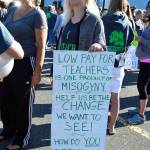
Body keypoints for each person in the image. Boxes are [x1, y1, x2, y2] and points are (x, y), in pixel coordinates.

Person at [0, 0, 48, 149]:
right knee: (5, 99)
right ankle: (9, 130)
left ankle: (22, 138)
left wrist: (38, 71)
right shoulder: (12, 10)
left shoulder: (38, 14)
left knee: (23, 102)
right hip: (7, 63)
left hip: (26, 62)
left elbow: (41, 46)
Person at [102, 0, 134, 135]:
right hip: (118, 63)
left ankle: (98, 124)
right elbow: (130, 41)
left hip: (103, 62)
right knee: (115, 97)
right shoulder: (128, 21)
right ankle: (112, 126)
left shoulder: (104, 19)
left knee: (102, 97)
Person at [128, 1, 150, 125]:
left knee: (141, 86)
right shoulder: (147, 23)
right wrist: (137, 39)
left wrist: (141, 39)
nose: (146, 9)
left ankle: (141, 115)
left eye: (148, 7)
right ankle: (141, 109)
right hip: (144, 59)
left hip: (148, 60)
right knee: (146, 87)